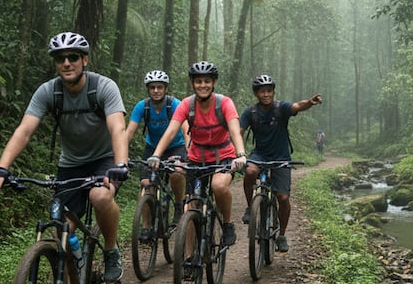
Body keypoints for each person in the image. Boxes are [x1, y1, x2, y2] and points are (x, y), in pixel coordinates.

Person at [0, 31, 129, 281]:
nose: (66, 63)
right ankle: (73, 282)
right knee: (61, 231)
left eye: (73, 57)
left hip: (104, 160)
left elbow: (117, 127)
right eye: (60, 58)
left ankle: (110, 249)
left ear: (85, 60)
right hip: (71, 165)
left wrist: (120, 163)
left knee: (100, 195)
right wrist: (2, 166)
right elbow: (25, 130)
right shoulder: (48, 92)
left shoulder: (104, 87)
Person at [147, 61, 246, 247]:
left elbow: (234, 130)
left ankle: (227, 224)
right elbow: (170, 131)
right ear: (193, 83)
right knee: (190, 206)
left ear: (213, 82)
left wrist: (241, 154)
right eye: (198, 81)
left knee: (218, 186)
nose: (203, 85)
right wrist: (156, 155)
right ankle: (188, 259)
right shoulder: (186, 104)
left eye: (207, 81)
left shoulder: (224, 103)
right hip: (196, 159)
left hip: (223, 157)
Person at [240, 74, 322, 252]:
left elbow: (297, 106)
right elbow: (238, 131)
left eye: (269, 91)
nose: (266, 94)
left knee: (283, 197)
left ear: (273, 92)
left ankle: (282, 234)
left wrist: (309, 102)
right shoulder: (250, 112)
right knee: (250, 172)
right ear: (256, 94)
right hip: (259, 155)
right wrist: (236, 152)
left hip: (281, 157)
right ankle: (249, 207)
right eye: (262, 92)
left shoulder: (281, 108)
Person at [126, 70, 189, 236]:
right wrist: (120, 154)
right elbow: (129, 132)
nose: (156, 90)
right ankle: (146, 227)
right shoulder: (142, 106)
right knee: (146, 185)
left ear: (165, 89)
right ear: (148, 89)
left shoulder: (174, 104)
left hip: (176, 147)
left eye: (159, 87)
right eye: (152, 87)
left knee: (177, 174)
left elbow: (185, 128)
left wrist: (189, 152)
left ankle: (177, 205)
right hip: (152, 148)